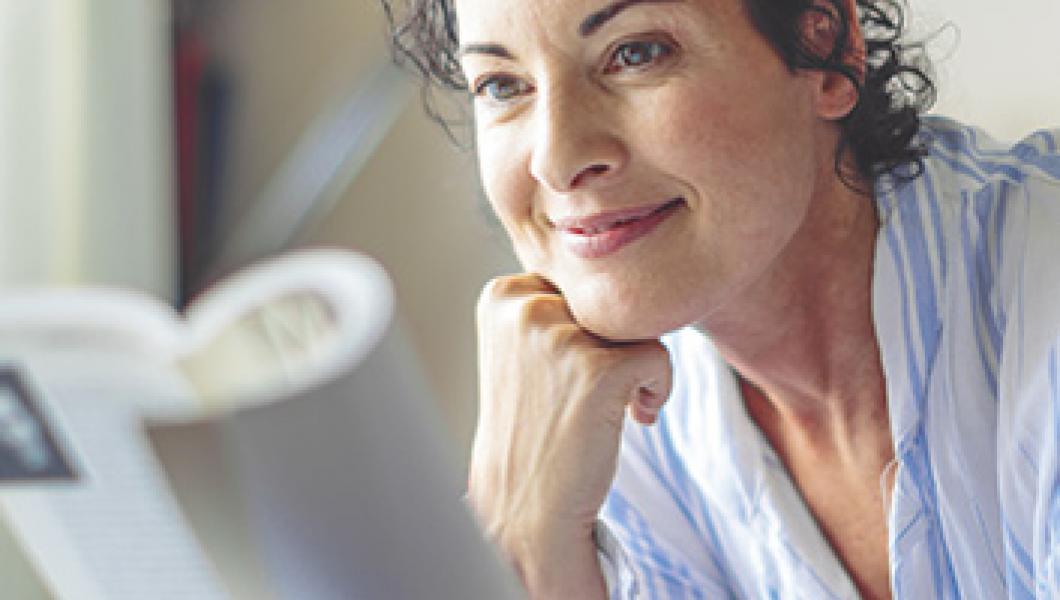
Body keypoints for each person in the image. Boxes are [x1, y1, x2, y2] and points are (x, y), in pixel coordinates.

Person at [381, 0, 1060, 597]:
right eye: (503, 85)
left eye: (635, 53)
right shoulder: (603, 446)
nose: (559, 158)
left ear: (824, 49)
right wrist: (521, 539)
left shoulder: (1041, 302)